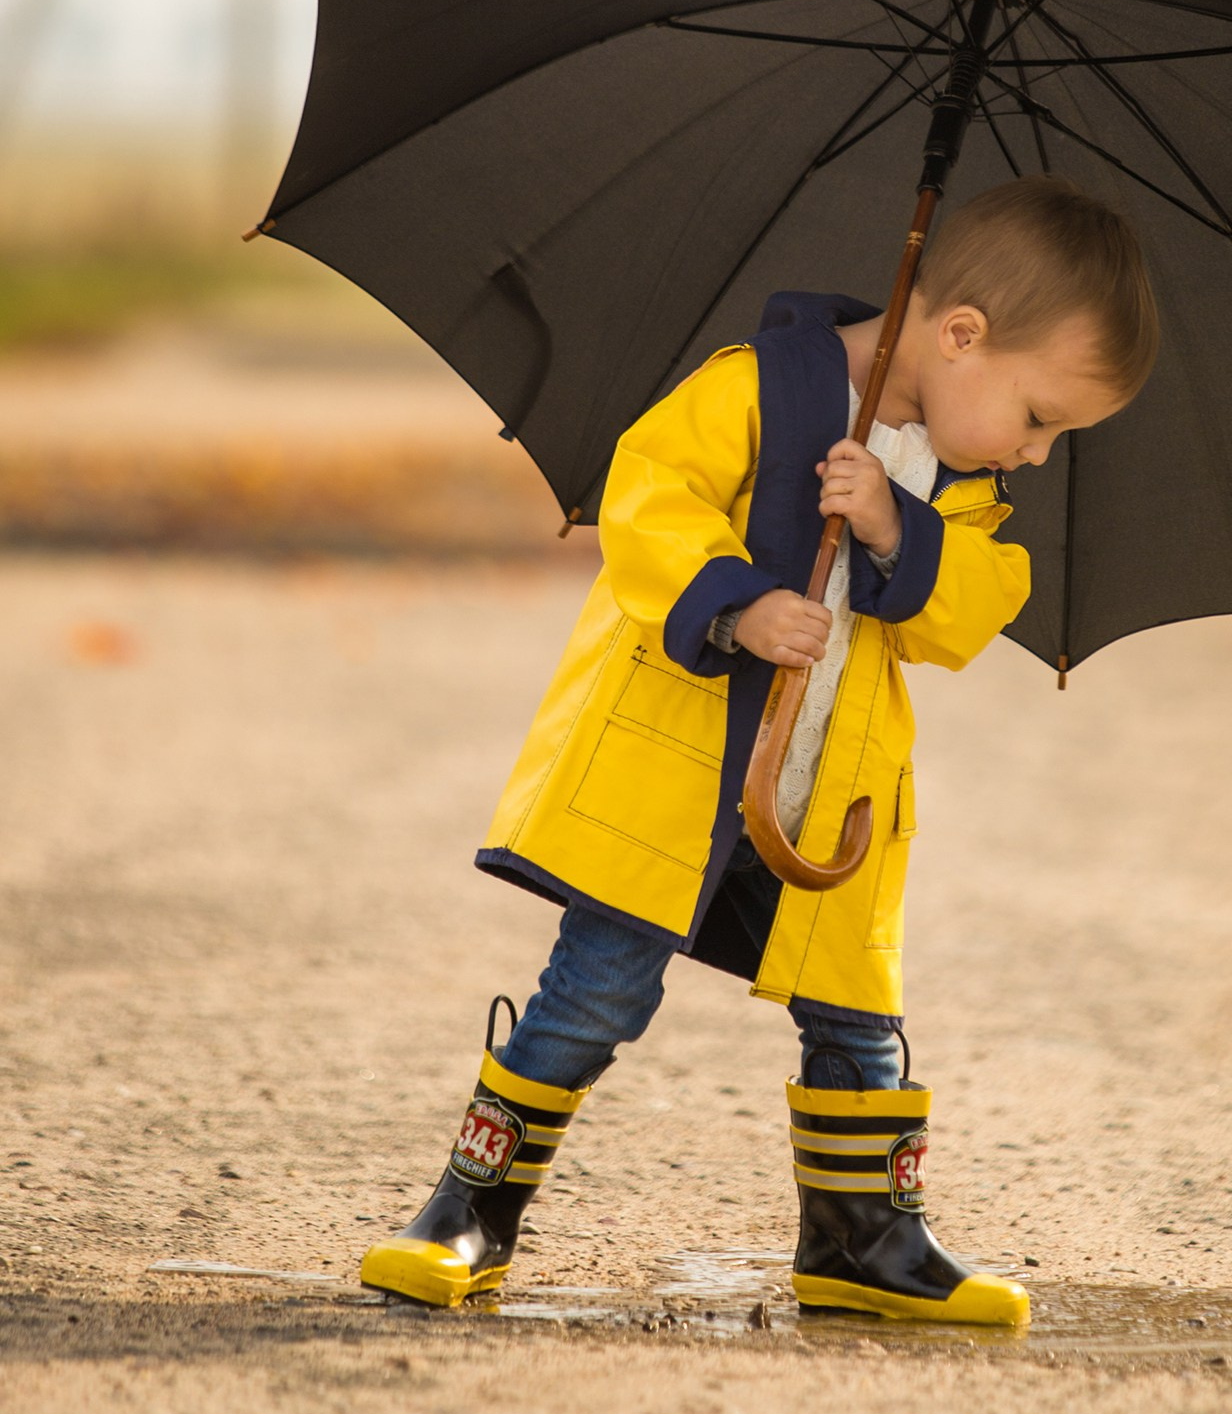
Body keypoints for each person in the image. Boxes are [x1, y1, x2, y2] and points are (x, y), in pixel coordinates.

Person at [360, 175, 1159, 1323]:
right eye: (1041, 417)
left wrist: (897, 525)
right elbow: (649, 497)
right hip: (681, 770)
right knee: (597, 987)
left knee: (855, 1013)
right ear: (960, 335)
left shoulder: (955, 480)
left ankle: (860, 1239)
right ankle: (468, 1210)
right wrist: (735, 605)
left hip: (827, 781)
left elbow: (967, 611)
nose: (1036, 453)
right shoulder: (759, 390)